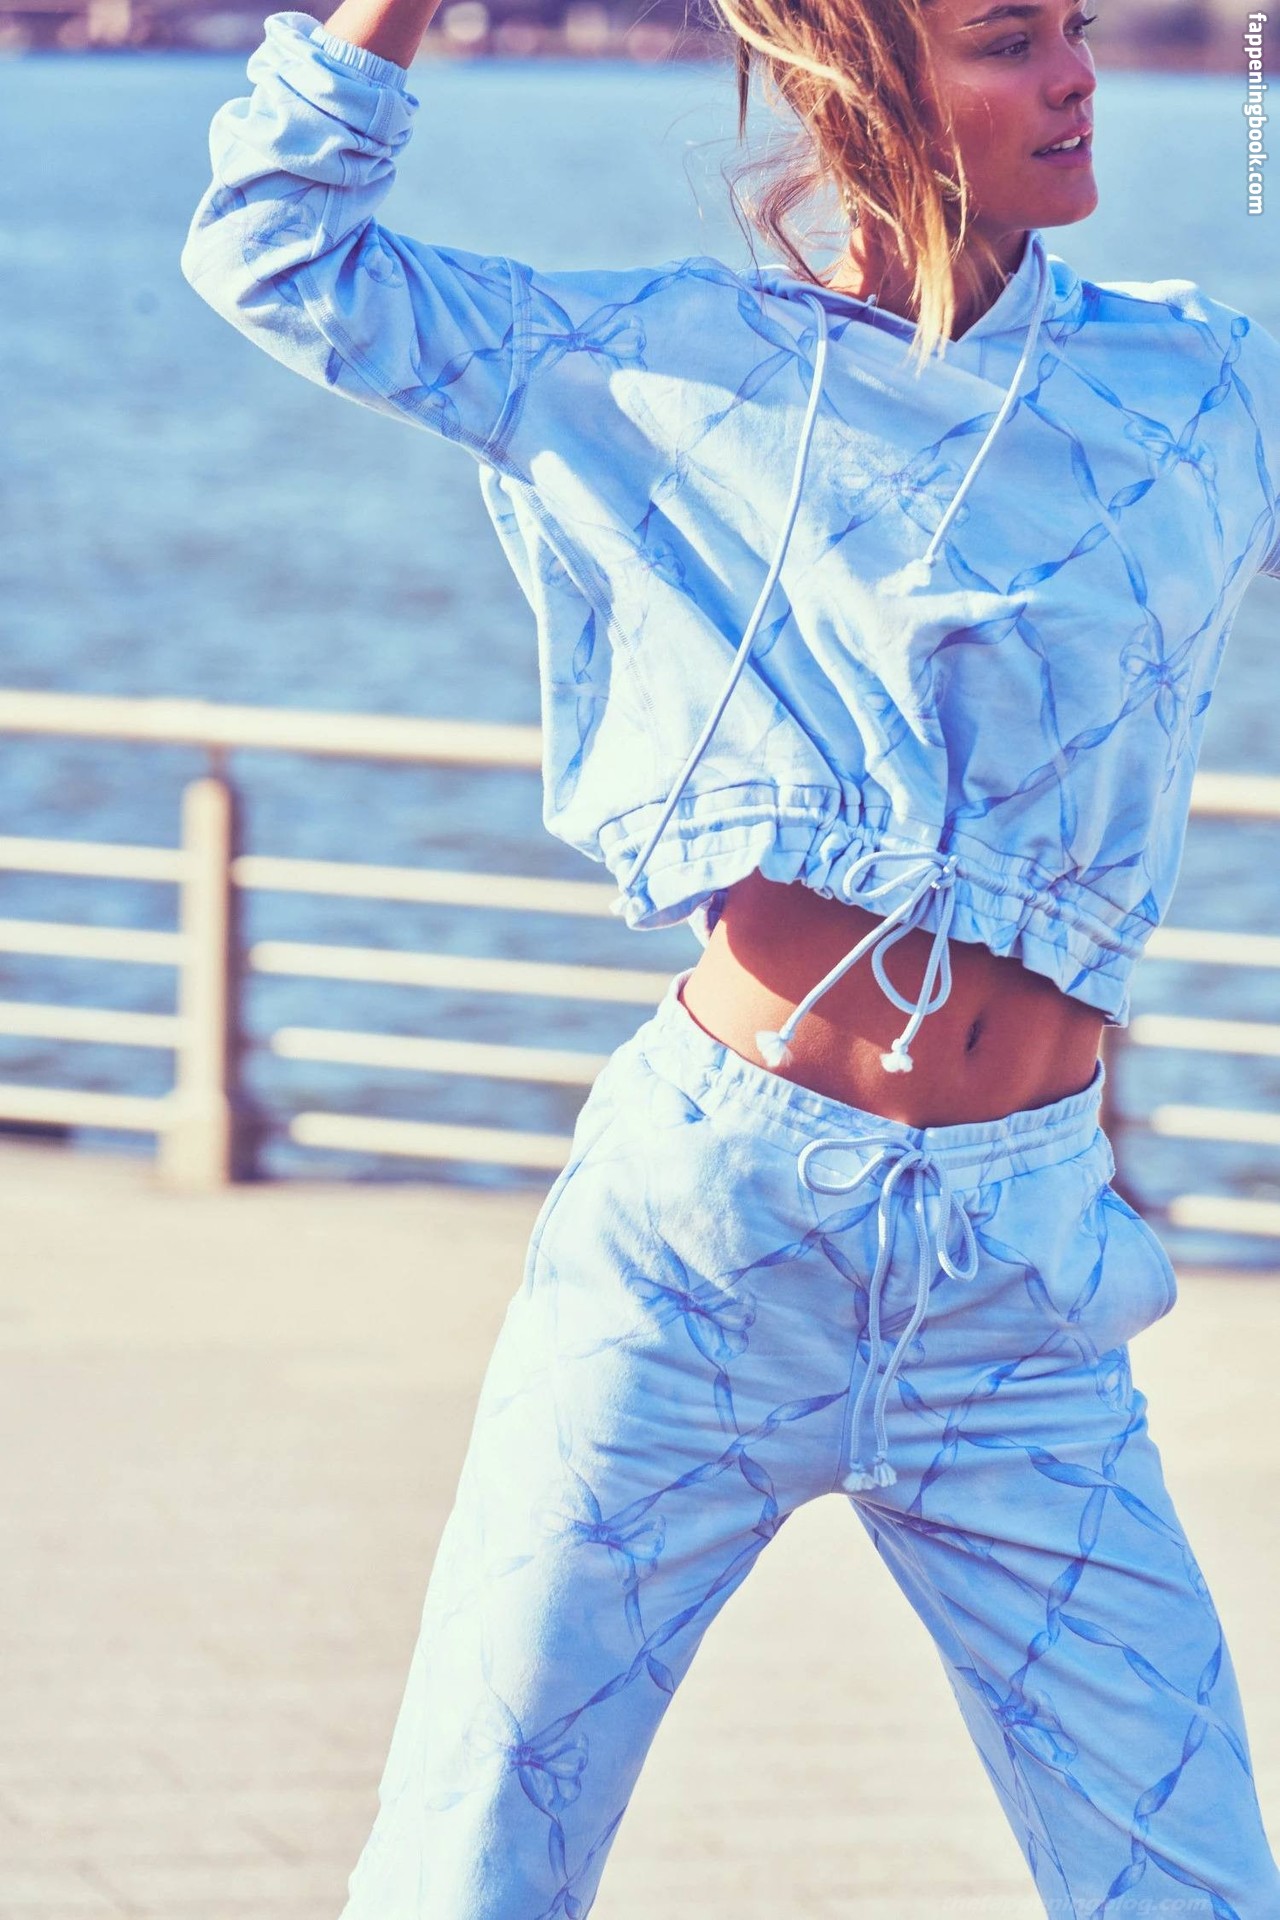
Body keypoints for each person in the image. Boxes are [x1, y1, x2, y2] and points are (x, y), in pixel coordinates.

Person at [182, 0, 1280, 1909]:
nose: (1078, 76)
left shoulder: (1207, 392)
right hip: (706, 1239)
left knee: (1192, 1886)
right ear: (867, 82)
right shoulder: (663, 364)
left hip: (1022, 1283)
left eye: (1078, 27)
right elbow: (276, 253)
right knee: (473, 1863)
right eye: (1008, 40)